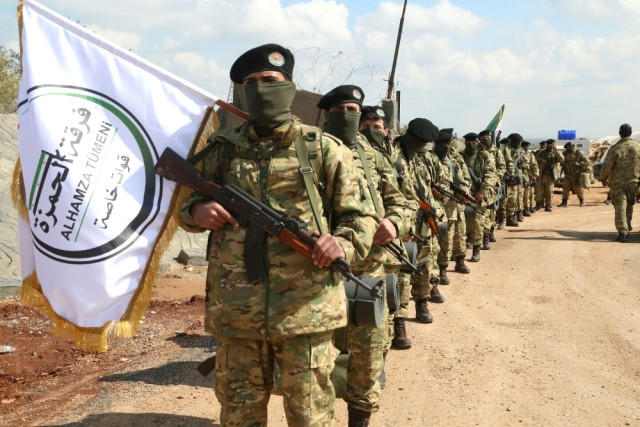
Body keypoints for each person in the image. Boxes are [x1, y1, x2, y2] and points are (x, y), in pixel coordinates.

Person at [178, 44, 379, 426]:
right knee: (239, 417)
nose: (260, 88)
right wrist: (197, 211)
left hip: (308, 311)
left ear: (288, 86)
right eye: (251, 82)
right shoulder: (223, 149)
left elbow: (361, 216)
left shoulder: (323, 149)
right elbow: (185, 205)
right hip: (237, 312)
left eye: (269, 80)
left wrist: (342, 242)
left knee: (310, 417)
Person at [318, 87, 411, 426]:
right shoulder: (308, 151)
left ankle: (359, 419)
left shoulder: (374, 157)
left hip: (367, 271)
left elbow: (403, 201)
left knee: (367, 355)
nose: (348, 115)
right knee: (315, 359)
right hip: (317, 272)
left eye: (353, 108)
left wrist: (394, 223)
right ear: (326, 114)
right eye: (340, 109)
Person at [391, 118, 441, 326]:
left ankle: (422, 302)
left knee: (425, 264)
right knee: (402, 273)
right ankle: (399, 319)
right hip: (402, 225)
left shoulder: (419, 159)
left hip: (422, 221)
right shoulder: (392, 156)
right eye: (418, 142)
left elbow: (426, 189)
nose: (420, 147)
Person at [433, 129, 472, 280]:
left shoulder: (455, 160)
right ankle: (442, 267)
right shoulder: (431, 160)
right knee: (445, 238)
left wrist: (464, 193)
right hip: (441, 207)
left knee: (460, 235)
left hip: (457, 205)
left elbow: (465, 179)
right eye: (443, 143)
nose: (446, 146)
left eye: (448, 143)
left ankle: (460, 261)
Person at [599, 123, 640, 242]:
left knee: (620, 207)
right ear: (630, 133)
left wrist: (603, 178)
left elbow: (607, 165)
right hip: (633, 182)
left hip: (618, 183)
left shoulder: (615, 148)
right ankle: (627, 226)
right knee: (629, 206)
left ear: (620, 133)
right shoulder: (637, 147)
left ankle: (623, 232)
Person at [462, 132, 498, 262]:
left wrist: (482, 191)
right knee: (463, 222)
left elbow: (490, 174)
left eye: (474, 143)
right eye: (469, 143)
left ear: (478, 143)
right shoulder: (460, 157)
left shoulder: (484, 156)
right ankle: (461, 249)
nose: (471, 145)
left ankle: (476, 249)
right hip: (464, 195)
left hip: (479, 194)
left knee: (478, 223)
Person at [558, 142, 590, 207]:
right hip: (567, 174)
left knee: (577, 188)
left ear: (571, 147)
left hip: (576, 174)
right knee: (565, 188)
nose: (567, 150)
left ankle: (582, 200)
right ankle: (564, 202)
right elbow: (561, 160)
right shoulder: (565, 153)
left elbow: (587, 161)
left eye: (567, 148)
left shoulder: (578, 153)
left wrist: (579, 164)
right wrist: (562, 163)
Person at [535, 139, 564, 212]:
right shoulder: (542, 152)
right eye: (549, 144)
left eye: (552, 144)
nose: (550, 146)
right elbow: (535, 159)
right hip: (541, 174)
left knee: (549, 191)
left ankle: (548, 205)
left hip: (551, 175)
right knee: (539, 190)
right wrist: (541, 160)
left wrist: (556, 150)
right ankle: (538, 204)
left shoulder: (555, 153)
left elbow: (561, 160)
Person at [520, 140, 539, 215]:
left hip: (528, 176)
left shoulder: (530, 154)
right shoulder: (519, 153)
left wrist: (535, 175)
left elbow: (534, 165)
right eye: (524, 146)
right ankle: (522, 209)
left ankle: (528, 207)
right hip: (520, 175)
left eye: (527, 146)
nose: (526, 147)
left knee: (529, 193)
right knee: (521, 194)